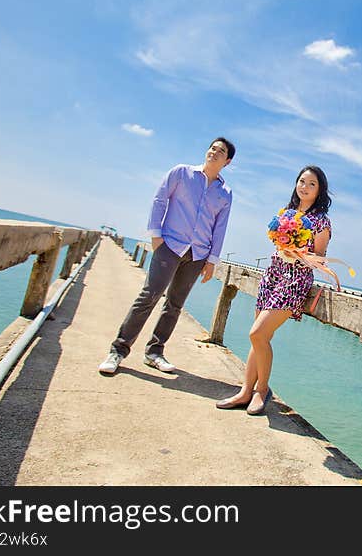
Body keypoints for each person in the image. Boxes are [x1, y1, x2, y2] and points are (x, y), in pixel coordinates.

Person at [98, 137, 235, 375]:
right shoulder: (181, 173)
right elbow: (160, 199)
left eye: (220, 151)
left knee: (175, 305)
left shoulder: (225, 193)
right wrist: (155, 235)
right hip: (170, 245)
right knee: (149, 296)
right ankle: (118, 350)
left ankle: (154, 352)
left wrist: (212, 259)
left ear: (228, 161)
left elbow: (220, 227)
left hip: (197, 254)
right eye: (212, 148)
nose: (213, 152)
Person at [216, 165, 332, 415]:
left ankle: (262, 390)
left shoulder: (322, 220)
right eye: (302, 181)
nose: (305, 187)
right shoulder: (286, 213)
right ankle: (245, 391)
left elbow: (321, 258)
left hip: (295, 279)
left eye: (312, 184)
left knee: (257, 334)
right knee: (260, 338)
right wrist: (284, 244)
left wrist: (299, 252)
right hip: (273, 274)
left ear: (319, 189)